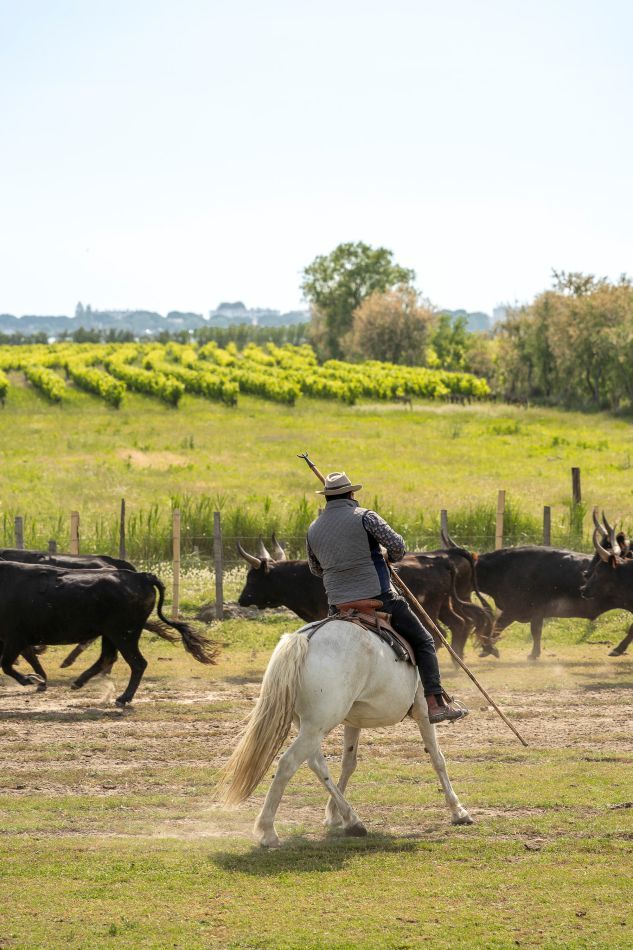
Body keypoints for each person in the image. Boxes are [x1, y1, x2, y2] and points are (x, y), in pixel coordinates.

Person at [306, 471, 468, 724]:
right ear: (351, 494)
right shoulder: (366, 517)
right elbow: (398, 547)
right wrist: (384, 555)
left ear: (327, 498)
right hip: (379, 597)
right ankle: (435, 703)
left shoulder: (313, 528)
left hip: (338, 604)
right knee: (425, 641)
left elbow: (315, 569)